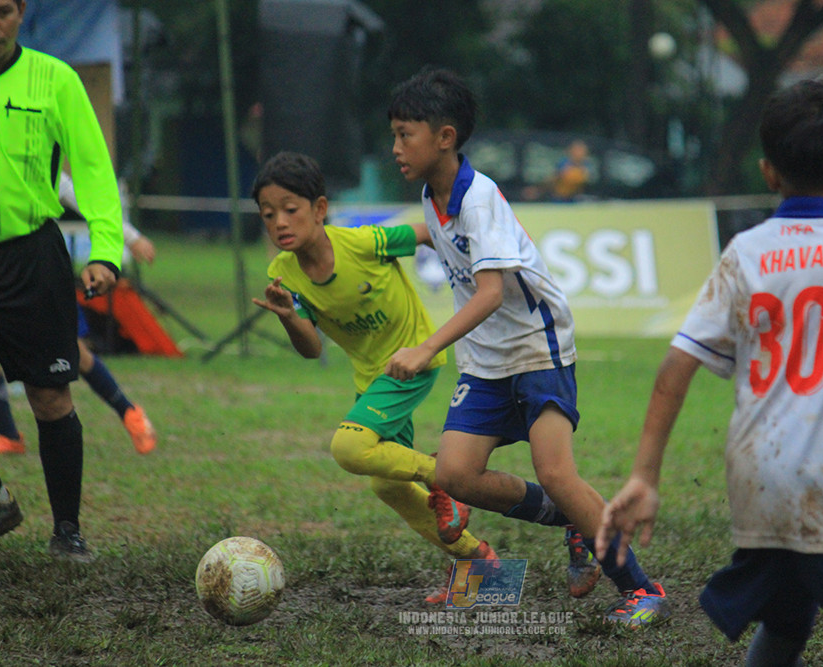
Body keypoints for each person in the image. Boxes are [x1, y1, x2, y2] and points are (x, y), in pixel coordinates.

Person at [596, 81, 823, 665]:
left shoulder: (745, 250)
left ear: (769, 172)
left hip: (757, 488)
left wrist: (645, 475)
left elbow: (678, 363)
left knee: (789, 617)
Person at [385, 67, 668, 625]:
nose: (394, 147)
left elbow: (490, 293)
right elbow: (438, 243)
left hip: (537, 348)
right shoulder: (430, 194)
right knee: (453, 475)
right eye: (393, 134)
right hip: (488, 358)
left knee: (558, 472)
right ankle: (573, 522)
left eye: (404, 134)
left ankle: (642, 588)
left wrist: (425, 348)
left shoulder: (479, 196)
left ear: (445, 137)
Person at [250, 151, 496, 604]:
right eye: (268, 215)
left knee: (348, 447)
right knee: (387, 483)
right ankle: (478, 562)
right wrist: (288, 316)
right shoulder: (282, 274)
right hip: (371, 378)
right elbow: (312, 349)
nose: (279, 222)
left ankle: (443, 478)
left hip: (412, 361)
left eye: (290, 209)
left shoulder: (364, 242)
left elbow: (426, 233)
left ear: (319, 209)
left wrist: (477, 260)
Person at [0, 0, 125, 562]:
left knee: (49, 394)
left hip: (31, 255)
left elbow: (92, 168)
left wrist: (107, 252)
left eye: (0, 12)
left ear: (22, 13)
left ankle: (66, 531)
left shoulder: (56, 79)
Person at [0, 174, 157, 456]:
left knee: (72, 351)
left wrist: (131, 236)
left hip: (30, 267)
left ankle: (129, 412)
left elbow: (79, 196)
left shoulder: (25, 149)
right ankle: (9, 435)